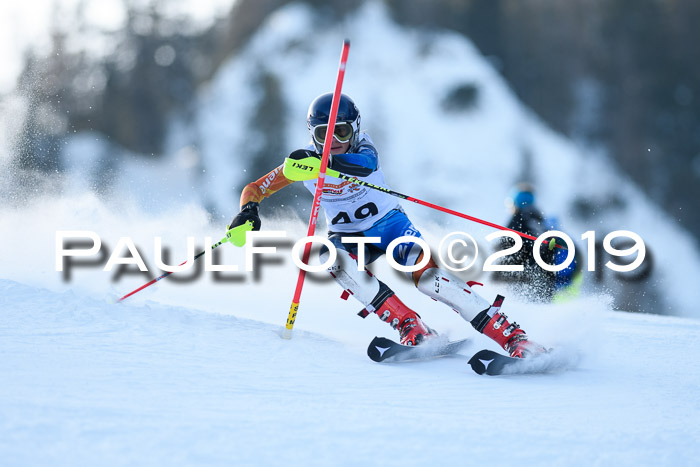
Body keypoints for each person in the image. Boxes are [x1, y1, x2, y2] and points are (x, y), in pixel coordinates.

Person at [227, 93, 546, 358]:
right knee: (333, 262)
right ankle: (413, 328)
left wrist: (324, 164)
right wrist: (248, 210)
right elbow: (256, 187)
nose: (333, 142)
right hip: (347, 236)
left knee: (431, 281)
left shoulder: (363, 148)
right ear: (312, 134)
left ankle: (515, 338)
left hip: (390, 225)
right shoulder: (302, 163)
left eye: (341, 132)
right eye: (324, 134)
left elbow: (364, 165)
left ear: (355, 129)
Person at [492, 183, 581, 302]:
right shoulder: (541, 221)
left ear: (515, 203)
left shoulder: (517, 222)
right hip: (545, 285)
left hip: (524, 285)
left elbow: (507, 252)